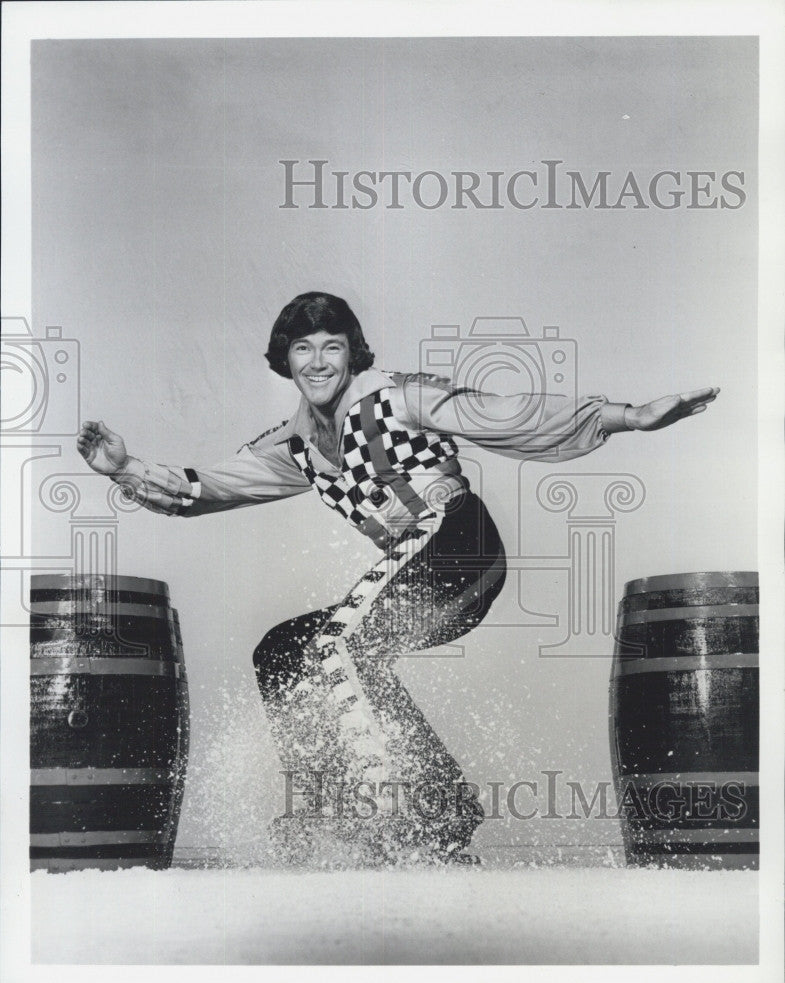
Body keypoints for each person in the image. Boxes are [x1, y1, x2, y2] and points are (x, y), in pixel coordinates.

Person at [77, 291, 720, 866]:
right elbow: (206, 487)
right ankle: (420, 806)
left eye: (333, 346)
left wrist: (628, 416)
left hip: (459, 545)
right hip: (417, 561)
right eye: (305, 348)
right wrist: (125, 467)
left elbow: (506, 413)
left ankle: (388, 812)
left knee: (336, 645)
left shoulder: (399, 397)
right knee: (286, 651)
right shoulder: (296, 444)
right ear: (286, 361)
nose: (320, 361)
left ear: (352, 353)